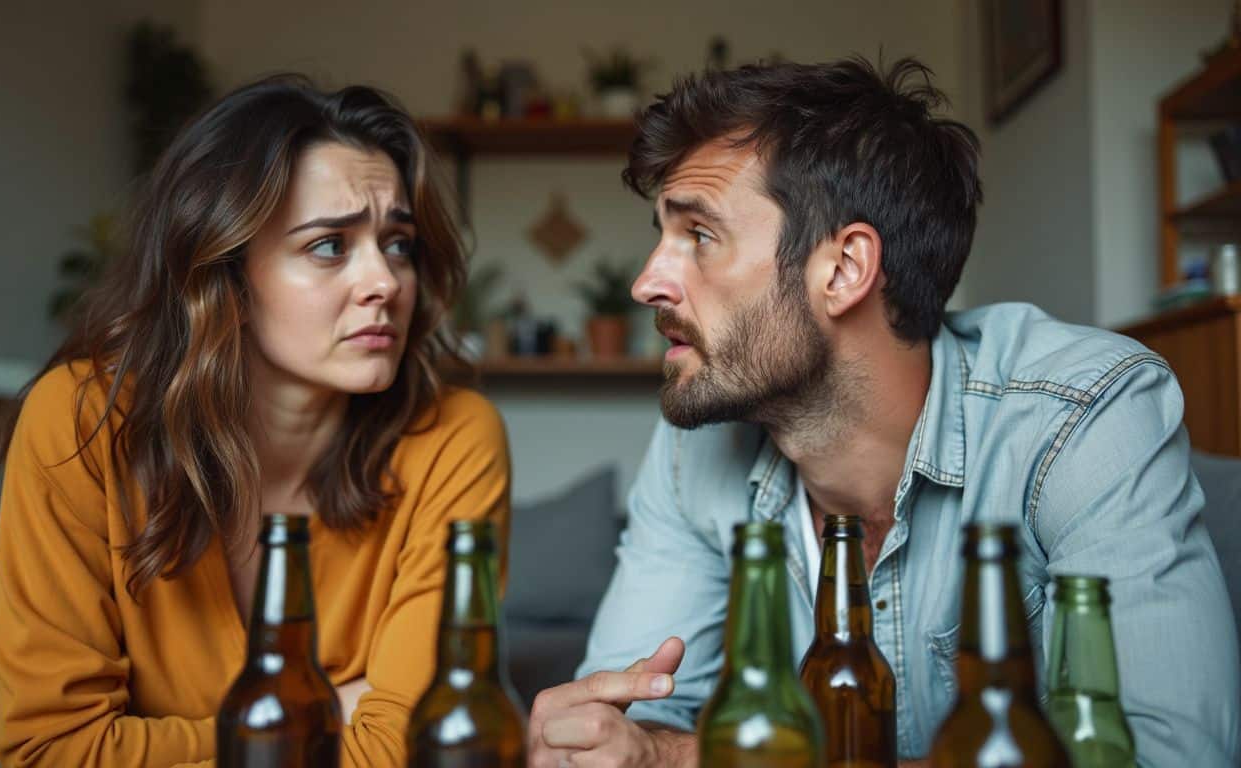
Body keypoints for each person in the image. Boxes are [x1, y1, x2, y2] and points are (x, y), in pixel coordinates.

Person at [527, 57, 1240, 767]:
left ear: (842, 270)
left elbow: (1166, 756)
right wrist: (605, 747)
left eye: (699, 236)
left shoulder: (1084, 415)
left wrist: (685, 758)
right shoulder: (694, 448)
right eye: (661, 236)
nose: (648, 281)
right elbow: (634, 721)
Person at [0, 75, 510, 767]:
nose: (385, 281)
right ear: (226, 275)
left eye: (398, 244)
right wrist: (314, 716)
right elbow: (52, 751)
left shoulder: (455, 437)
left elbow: (407, 747)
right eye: (330, 245)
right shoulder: (77, 422)